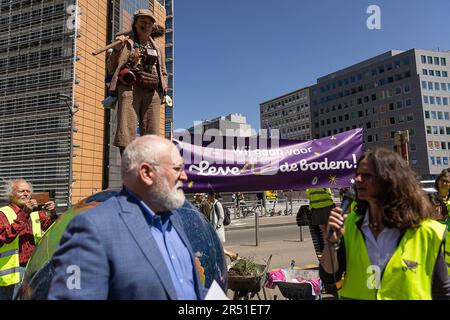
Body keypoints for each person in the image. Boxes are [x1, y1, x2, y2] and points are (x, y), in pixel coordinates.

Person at [47, 135, 206, 299]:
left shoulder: (174, 220)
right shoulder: (92, 228)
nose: (185, 176)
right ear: (147, 173)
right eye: (177, 168)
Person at [320, 148, 450, 299]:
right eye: (357, 175)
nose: (357, 180)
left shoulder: (428, 232)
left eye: (367, 175)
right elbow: (329, 278)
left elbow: (442, 291)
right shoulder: (348, 225)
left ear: (389, 179)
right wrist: (331, 244)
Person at [106, 9, 168, 155]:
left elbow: (164, 72)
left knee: (152, 133)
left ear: (153, 27)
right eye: (142, 21)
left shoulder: (157, 49)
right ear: (135, 23)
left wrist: (163, 88)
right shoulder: (125, 43)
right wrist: (116, 50)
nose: (146, 25)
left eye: (149, 23)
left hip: (152, 91)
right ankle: (129, 167)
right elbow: (110, 68)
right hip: (129, 88)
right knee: (126, 130)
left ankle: (147, 167)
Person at [0, 179, 57, 300]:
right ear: (11, 194)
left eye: (28, 191)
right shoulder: (3, 213)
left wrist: (52, 213)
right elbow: (5, 237)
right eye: (21, 191)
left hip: (33, 268)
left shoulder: (35, 212)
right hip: (12, 272)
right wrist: (25, 213)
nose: (26, 194)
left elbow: (50, 228)